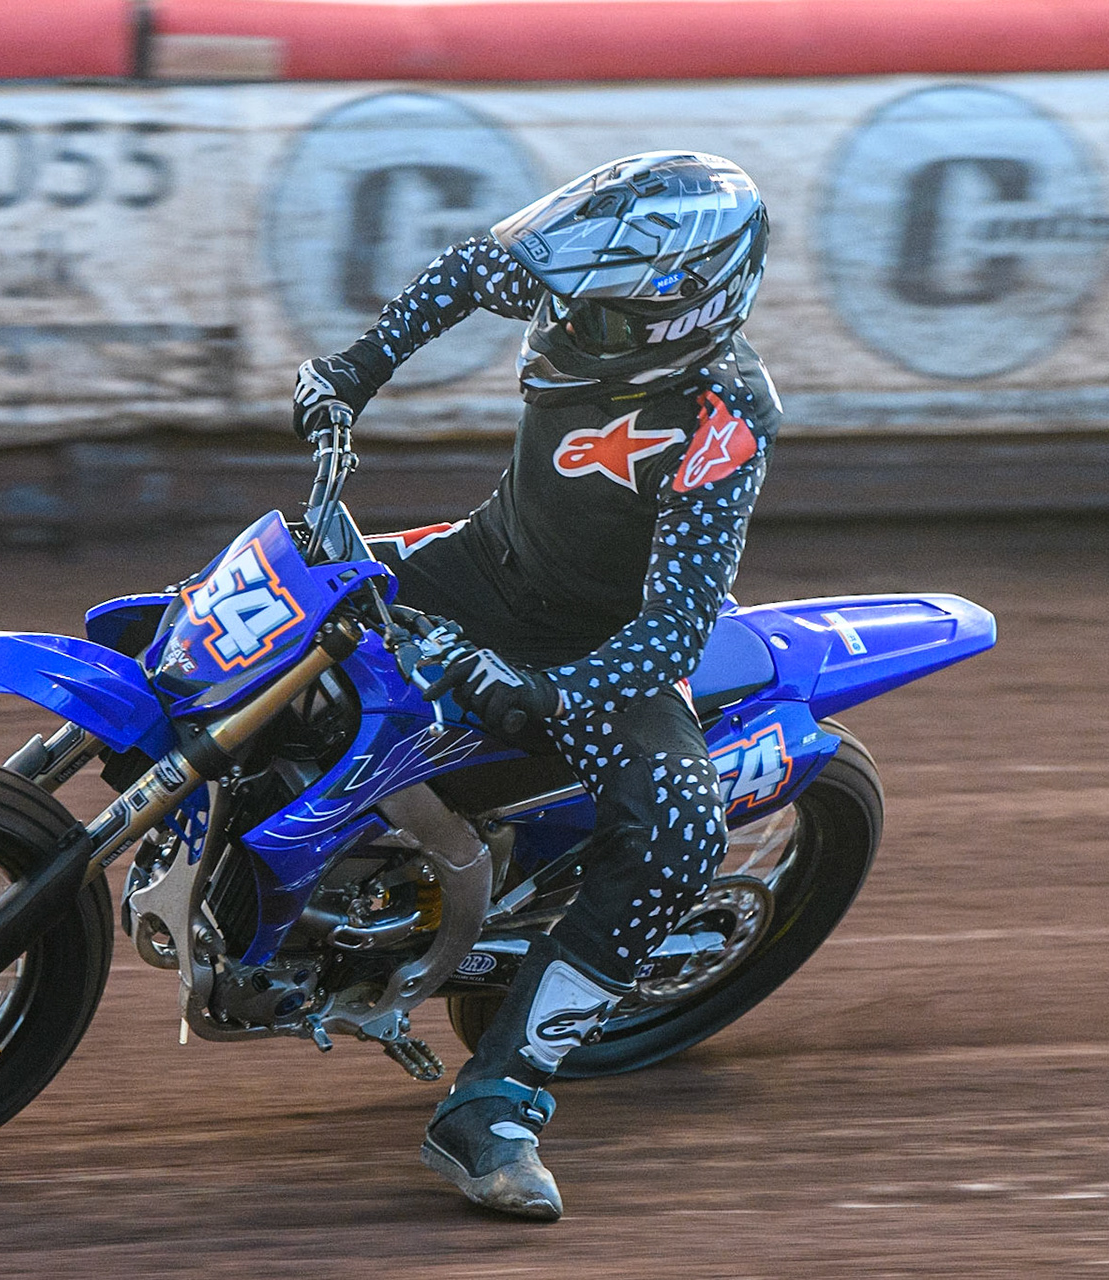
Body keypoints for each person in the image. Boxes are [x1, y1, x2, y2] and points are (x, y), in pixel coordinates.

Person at [292, 152, 781, 1221]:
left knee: (680, 828)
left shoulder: (724, 416)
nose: (565, 314)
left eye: (598, 302)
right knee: (279, 595)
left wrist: (550, 693)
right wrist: (354, 371)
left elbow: (673, 630)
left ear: (683, 306)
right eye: (570, 290)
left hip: (598, 654)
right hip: (482, 564)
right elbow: (473, 267)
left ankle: (499, 1101)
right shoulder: (575, 297)